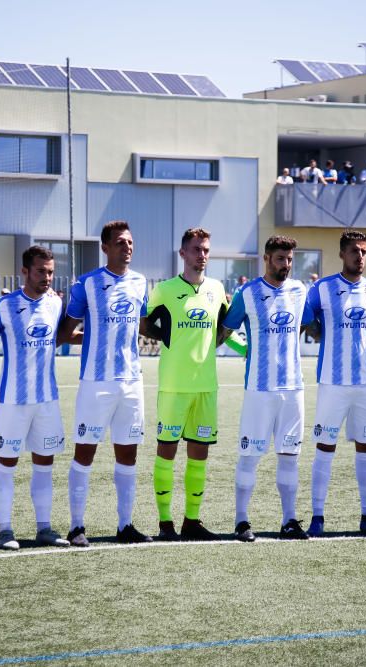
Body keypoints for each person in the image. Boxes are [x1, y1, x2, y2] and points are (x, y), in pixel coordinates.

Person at [140, 228, 244, 541]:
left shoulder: (216, 288)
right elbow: (145, 325)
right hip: (174, 386)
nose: (202, 255)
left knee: (200, 455)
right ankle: (165, 524)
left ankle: (192, 521)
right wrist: (169, 338)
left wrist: (242, 347)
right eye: (196, 249)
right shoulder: (165, 290)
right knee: (166, 453)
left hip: (206, 388)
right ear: (183, 253)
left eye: (206, 250)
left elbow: (224, 330)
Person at [58, 220, 152, 546]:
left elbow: (142, 325)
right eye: (120, 243)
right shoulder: (86, 283)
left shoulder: (141, 283)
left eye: (130, 242)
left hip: (131, 382)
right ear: (105, 247)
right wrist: (93, 336)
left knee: (128, 455)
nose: (127, 247)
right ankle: (76, 527)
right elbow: (65, 333)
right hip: (95, 382)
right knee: (85, 453)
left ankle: (125, 525)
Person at [303, 231, 366, 536]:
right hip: (333, 382)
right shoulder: (322, 288)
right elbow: (304, 319)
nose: (360, 257)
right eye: (355, 251)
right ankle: (317, 516)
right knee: (324, 448)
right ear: (342, 254)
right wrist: (319, 333)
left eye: (365, 251)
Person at [222, 235, 315, 541]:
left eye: (290, 259)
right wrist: (247, 350)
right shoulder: (247, 293)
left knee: (290, 455)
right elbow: (224, 332)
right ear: (266, 259)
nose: (286, 265)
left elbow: (304, 324)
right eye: (280, 259)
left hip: (293, 389)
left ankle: (289, 520)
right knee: (250, 455)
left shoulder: (300, 291)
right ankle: (242, 521)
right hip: (259, 390)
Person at [0, 246, 74, 550]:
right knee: (6, 464)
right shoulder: (4, 306)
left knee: (44, 464)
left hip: (47, 399)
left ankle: (44, 527)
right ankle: (5, 530)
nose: (47, 277)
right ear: (24, 272)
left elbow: (63, 336)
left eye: (50, 271)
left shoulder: (56, 303)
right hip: (14, 401)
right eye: (40, 271)